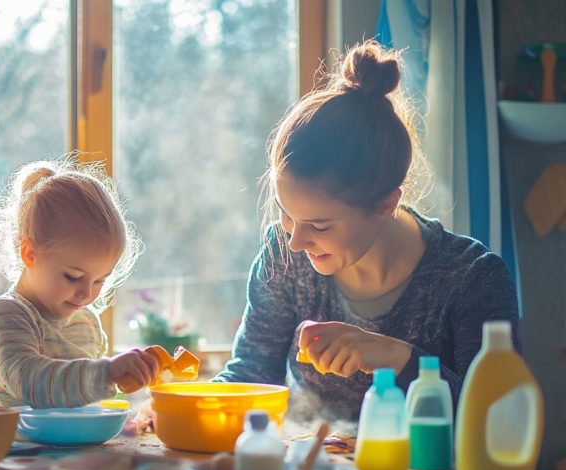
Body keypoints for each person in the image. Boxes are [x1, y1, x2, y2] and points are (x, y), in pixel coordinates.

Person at [216, 41, 519, 420]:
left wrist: (396, 358)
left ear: (385, 204)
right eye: (286, 214)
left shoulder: (472, 279)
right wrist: (172, 405)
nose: (295, 241)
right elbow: (250, 375)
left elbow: (499, 416)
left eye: (319, 226)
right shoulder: (284, 262)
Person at [0, 157, 160, 408]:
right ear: (30, 254)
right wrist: (107, 372)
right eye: (73, 277)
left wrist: (132, 389)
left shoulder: (86, 321)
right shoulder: (7, 314)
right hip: (13, 446)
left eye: (100, 280)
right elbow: (28, 381)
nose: (86, 294)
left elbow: (87, 391)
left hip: (76, 446)